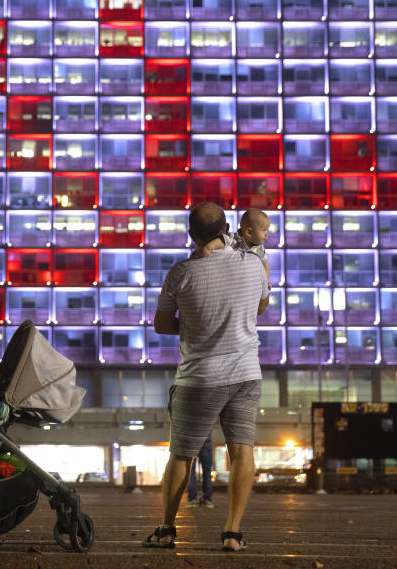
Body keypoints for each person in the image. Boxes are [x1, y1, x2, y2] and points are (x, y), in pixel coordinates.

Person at [142, 202, 270, 552]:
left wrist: (199, 323)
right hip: (246, 374)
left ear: (190, 234)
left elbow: (162, 324)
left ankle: (167, 529)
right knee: (242, 452)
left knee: (181, 455)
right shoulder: (253, 264)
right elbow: (260, 306)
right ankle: (232, 533)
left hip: (199, 378)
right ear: (228, 228)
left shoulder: (181, 272)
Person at [197, 208, 271, 287]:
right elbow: (222, 241)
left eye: (267, 230)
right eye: (264, 230)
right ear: (249, 232)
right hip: (231, 276)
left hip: (246, 280)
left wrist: (266, 280)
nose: (267, 234)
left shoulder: (260, 247)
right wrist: (209, 247)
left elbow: (265, 263)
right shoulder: (234, 239)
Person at [185, 435, 215, 508]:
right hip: (206, 440)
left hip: (191, 441)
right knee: (207, 473)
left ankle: (192, 500)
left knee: (191, 472)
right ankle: (207, 500)